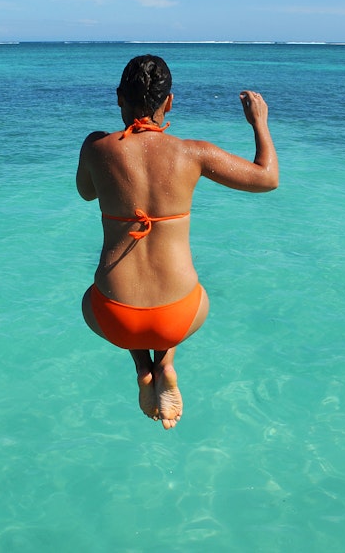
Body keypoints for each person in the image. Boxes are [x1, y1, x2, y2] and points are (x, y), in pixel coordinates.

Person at [77, 54, 278, 429]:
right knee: (189, 290)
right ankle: (165, 362)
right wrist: (259, 123)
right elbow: (267, 179)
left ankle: (142, 366)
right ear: (169, 102)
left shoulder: (96, 147)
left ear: (119, 97)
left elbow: (85, 192)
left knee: (95, 295)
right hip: (178, 317)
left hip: (114, 319)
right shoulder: (193, 153)